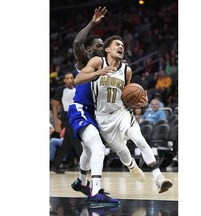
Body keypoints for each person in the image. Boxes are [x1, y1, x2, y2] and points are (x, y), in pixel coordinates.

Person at [75, 35, 173, 193]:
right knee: (122, 150)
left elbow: (127, 94)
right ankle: (131, 165)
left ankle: (159, 178)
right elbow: (78, 79)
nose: (121, 47)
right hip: (103, 117)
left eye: (123, 45)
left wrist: (138, 101)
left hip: (121, 113)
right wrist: (99, 72)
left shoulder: (126, 70)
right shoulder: (98, 62)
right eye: (117, 45)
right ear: (107, 49)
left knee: (139, 139)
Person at [67, 7, 120, 205]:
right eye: (97, 46)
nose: (101, 48)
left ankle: (81, 182)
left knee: (89, 152)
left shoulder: (109, 67)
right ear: (89, 50)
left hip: (94, 113)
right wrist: (93, 23)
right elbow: (76, 42)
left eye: (102, 46)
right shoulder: (85, 61)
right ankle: (95, 191)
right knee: (98, 148)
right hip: (80, 109)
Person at [51, 72, 82, 174]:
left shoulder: (77, 89)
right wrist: (56, 121)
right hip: (66, 117)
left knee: (66, 143)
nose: (69, 80)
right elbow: (54, 106)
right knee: (76, 139)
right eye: (67, 78)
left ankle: (55, 165)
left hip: (76, 115)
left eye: (71, 78)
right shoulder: (61, 90)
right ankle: (85, 165)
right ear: (64, 80)